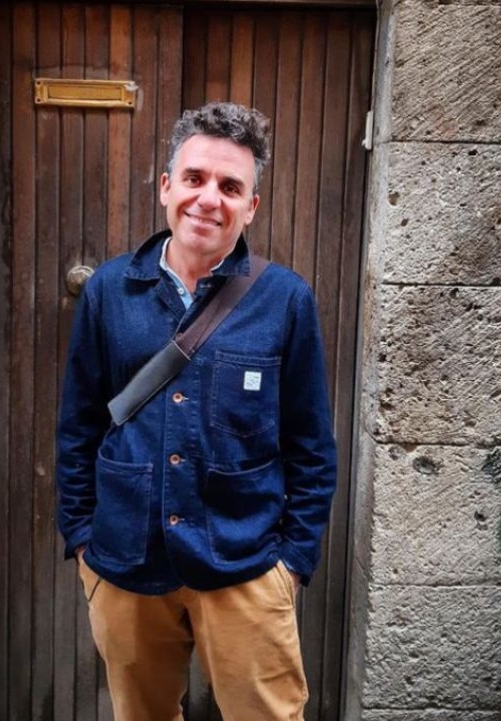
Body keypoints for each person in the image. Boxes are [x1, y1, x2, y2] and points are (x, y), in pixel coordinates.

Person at [55, 101, 336, 720]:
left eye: (230, 186)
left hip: (245, 563)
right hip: (124, 562)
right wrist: (81, 539)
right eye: (195, 179)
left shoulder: (285, 300)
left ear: (251, 206)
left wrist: (292, 563)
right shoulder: (108, 291)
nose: (209, 198)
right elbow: (78, 425)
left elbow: (311, 445)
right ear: (166, 187)